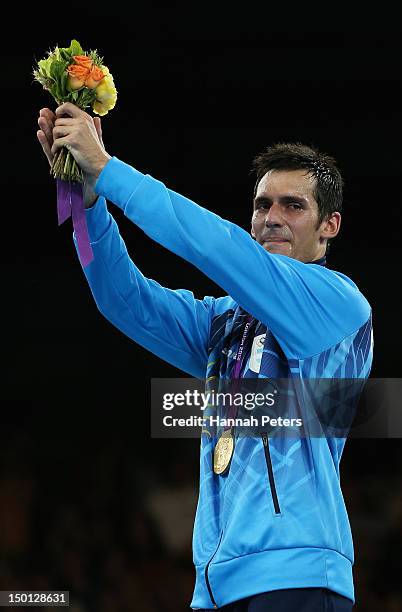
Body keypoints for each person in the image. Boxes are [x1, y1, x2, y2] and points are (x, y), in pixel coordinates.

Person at [37, 103, 373, 611]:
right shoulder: (226, 322)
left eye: (292, 206)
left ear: (330, 226)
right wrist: (87, 199)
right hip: (215, 587)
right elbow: (122, 299)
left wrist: (109, 170)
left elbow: (219, 248)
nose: (272, 219)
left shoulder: (339, 305)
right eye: (262, 205)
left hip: (297, 576)